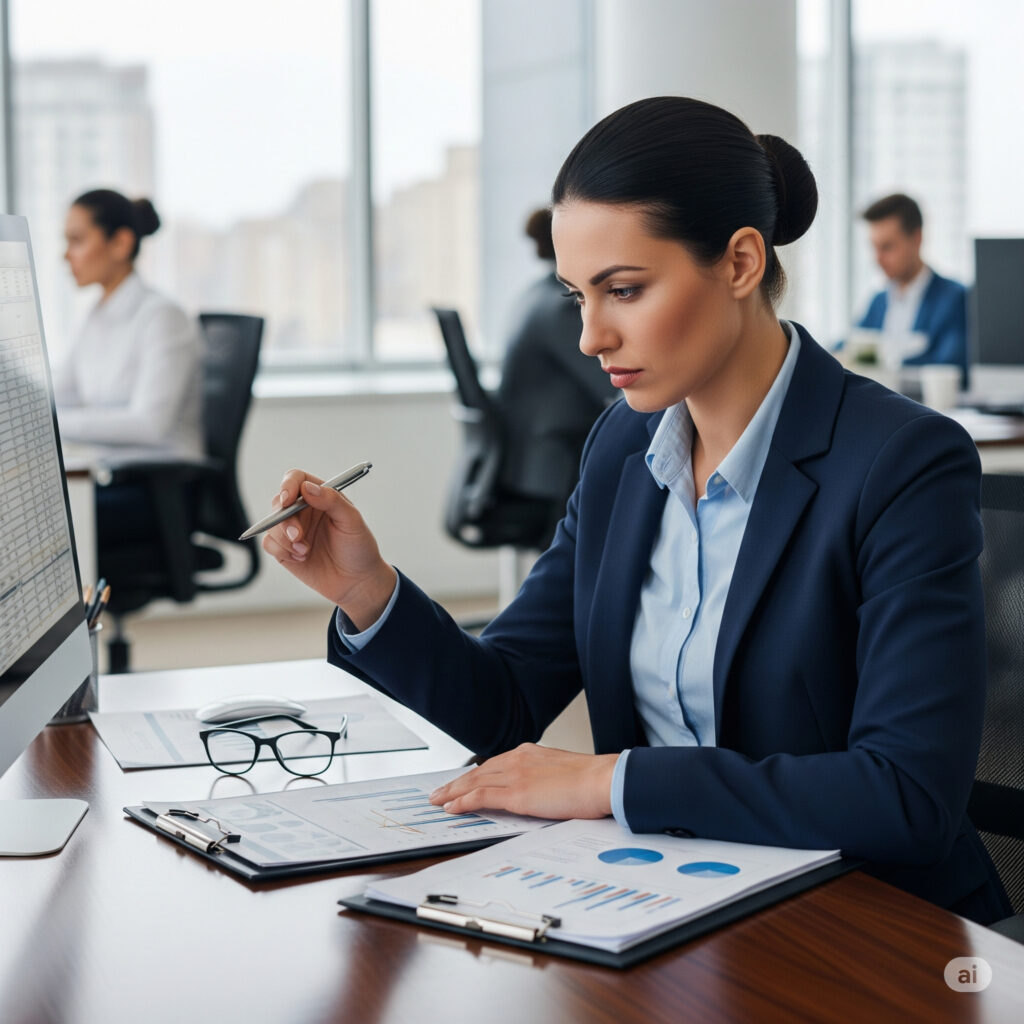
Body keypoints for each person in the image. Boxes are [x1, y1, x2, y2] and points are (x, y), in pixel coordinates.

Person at [263, 97, 1009, 924]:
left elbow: (904, 794)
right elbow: (504, 703)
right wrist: (369, 591)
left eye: (623, 290)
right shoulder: (626, 448)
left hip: (864, 924)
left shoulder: (900, 460)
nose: (590, 336)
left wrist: (605, 779)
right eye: (578, 294)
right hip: (670, 903)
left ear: (739, 263)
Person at [53, 189, 203, 546]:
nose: (65, 255)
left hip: (156, 491)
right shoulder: (95, 317)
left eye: (76, 240)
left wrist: (54, 426)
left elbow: (149, 425)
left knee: (40, 519)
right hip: (114, 476)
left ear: (120, 243)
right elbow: (61, 394)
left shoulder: (162, 317)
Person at [496, 207, 616, 540]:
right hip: (553, 464)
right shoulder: (561, 307)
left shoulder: (533, 295)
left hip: (525, 458)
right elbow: (612, 385)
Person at [857, 193, 968, 382]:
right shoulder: (878, 302)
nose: (877, 259)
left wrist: (882, 367)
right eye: (874, 247)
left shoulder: (955, 298)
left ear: (916, 239)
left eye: (887, 247)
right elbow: (852, 347)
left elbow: (949, 365)